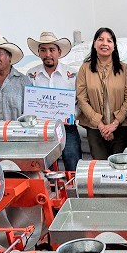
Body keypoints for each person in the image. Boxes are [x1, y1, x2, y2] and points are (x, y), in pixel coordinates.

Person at [25, 31, 81, 171]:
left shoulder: (72, 75)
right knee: (43, 165)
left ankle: (73, 189)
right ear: (38, 53)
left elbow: (79, 101)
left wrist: (71, 116)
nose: (47, 54)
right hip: (40, 129)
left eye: (52, 50)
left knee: (72, 160)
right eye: (43, 50)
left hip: (67, 128)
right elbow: (28, 103)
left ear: (59, 52)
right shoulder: (31, 75)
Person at [76, 27, 127, 158]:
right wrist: (100, 125)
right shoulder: (84, 69)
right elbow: (81, 99)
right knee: (100, 170)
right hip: (94, 129)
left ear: (114, 46)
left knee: (119, 167)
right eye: (100, 39)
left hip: (120, 128)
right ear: (94, 44)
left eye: (109, 40)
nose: (104, 44)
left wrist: (115, 123)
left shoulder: (124, 69)